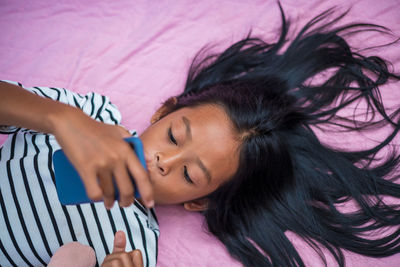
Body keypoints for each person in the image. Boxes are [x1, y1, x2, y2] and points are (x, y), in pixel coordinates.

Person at [1, 3, 400, 266]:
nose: (163, 161)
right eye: (174, 136)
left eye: (190, 176)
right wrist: (61, 119)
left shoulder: (136, 242)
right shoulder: (88, 112)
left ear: (197, 203)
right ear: (163, 111)